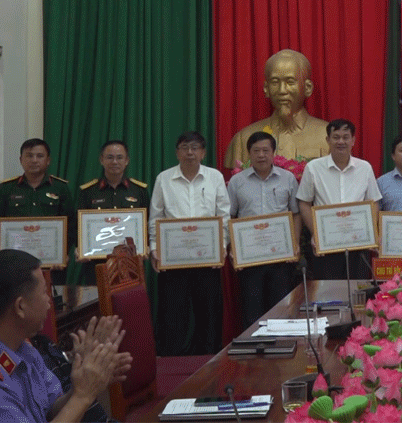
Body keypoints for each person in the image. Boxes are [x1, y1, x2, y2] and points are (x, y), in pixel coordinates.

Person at [0, 249, 131, 422]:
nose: (49, 302)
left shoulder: (24, 350)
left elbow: (50, 410)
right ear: (20, 307)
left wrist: (84, 383)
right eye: (44, 292)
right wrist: (83, 395)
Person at [149, 131, 231, 355]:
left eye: (195, 148)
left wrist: (221, 247)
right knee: (173, 313)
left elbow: (224, 215)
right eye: (184, 148)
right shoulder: (164, 178)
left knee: (209, 313)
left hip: (207, 257)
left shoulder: (214, 177)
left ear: (203, 153)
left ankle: (210, 359)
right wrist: (155, 248)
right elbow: (155, 217)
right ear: (177, 153)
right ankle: (171, 361)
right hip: (173, 258)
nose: (190, 152)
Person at [226, 131, 301, 328]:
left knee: (281, 308)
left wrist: (294, 243)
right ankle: (254, 346)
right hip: (250, 258)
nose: (261, 155)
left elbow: (295, 213)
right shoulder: (237, 182)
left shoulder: (288, 178)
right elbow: (230, 217)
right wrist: (233, 248)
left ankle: (282, 344)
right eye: (256, 151)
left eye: (266, 150)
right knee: (252, 311)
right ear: (248, 154)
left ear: (274, 153)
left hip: (281, 256)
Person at [296, 119, 381, 279]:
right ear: (328, 140)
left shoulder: (365, 168)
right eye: (336, 137)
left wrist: (372, 233)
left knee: (358, 288)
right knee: (328, 289)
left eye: (345, 137)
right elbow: (304, 203)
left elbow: (373, 202)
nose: (341, 141)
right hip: (326, 244)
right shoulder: (313, 168)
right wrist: (316, 233)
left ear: (353, 140)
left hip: (358, 243)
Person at [0, 139, 76, 285]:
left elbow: (71, 226)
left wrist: (62, 254)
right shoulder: (6, 189)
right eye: (29, 155)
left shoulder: (60, 188)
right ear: (21, 160)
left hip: (52, 266)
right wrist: (3, 257)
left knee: (53, 298)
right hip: (15, 266)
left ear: (48, 160)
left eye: (40, 156)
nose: (34, 160)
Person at [224, 49, 330, 168]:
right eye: (275, 82)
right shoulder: (243, 139)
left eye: (290, 82)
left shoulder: (329, 136)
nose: (282, 90)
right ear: (266, 88)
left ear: (307, 88)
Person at [76, 140, 150, 283]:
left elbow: (147, 223)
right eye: (110, 157)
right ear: (101, 160)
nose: (114, 162)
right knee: (96, 297)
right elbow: (78, 226)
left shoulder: (139, 191)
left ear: (127, 160)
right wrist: (80, 248)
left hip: (131, 264)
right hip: (97, 264)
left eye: (119, 157)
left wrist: (144, 246)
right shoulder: (88, 192)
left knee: (130, 297)